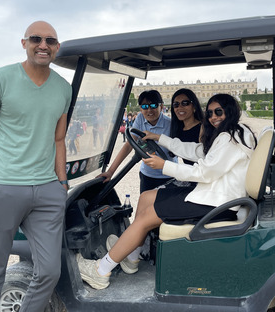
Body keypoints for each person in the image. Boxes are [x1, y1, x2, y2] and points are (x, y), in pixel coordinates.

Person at [77, 93, 257, 290]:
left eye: (219, 112)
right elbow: (197, 151)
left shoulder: (230, 137)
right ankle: (132, 257)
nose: (213, 117)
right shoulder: (232, 134)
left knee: (146, 218)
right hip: (214, 196)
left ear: (230, 111)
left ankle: (101, 271)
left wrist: (164, 166)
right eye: (211, 113)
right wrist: (159, 138)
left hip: (217, 202)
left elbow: (204, 172)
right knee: (146, 197)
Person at [0, 21, 72, 312]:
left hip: (47, 190)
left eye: (50, 40)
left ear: (57, 47)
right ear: (24, 42)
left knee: (50, 271)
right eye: (36, 39)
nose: (43, 45)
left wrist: (62, 184)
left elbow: (59, 138)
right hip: (3, 186)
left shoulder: (63, 88)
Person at [98, 90, 177, 193]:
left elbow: (180, 148)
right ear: (140, 108)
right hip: (148, 175)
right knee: (144, 206)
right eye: (144, 107)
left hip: (168, 176)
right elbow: (128, 145)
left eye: (153, 105)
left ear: (161, 106)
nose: (149, 110)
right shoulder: (140, 118)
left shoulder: (171, 124)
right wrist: (110, 172)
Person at [170, 88, 204, 165]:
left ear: (194, 106)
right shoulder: (178, 130)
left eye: (185, 103)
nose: (179, 107)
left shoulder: (204, 128)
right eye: (176, 105)